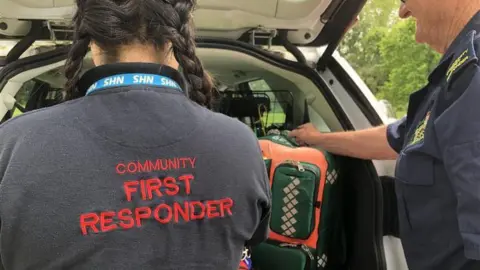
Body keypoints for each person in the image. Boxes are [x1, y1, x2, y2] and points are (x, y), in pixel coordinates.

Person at [0, 0, 271, 269]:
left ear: (93, 45)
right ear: (174, 43)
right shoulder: (241, 142)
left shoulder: (13, 144)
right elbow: (250, 238)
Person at [290, 1, 480, 270]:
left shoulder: (473, 76)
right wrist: (318, 139)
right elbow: (398, 138)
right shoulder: (454, 81)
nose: (403, 12)